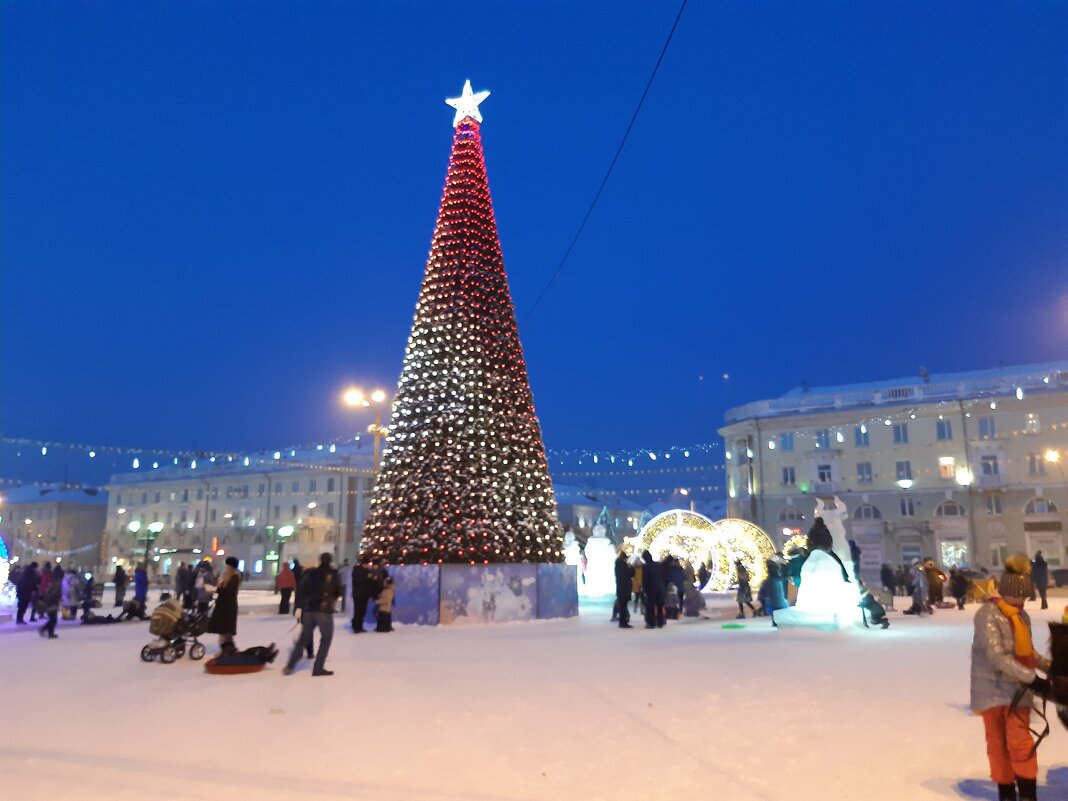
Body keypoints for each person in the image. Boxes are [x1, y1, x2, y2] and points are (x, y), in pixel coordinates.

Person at [970, 554, 1050, 801]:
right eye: (1020, 596)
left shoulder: (1021, 616)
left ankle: (1028, 794)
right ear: (1006, 592)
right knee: (997, 745)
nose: (1022, 602)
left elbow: (1028, 653)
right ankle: (1006, 793)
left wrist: (1052, 668)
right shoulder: (987, 614)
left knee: (1021, 743)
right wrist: (1032, 679)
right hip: (991, 691)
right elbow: (997, 656)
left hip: (1017, 690)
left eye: (1026, 597)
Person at [283, 552, 340, 676]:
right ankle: (318, 667)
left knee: (304, 638)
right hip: (324, 610)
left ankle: (290, 665)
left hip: (309, 608)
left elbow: (303, 589)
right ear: (330, 561)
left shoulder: (311, 572)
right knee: (326, 638)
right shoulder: (333, 574)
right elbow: (338, 590)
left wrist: (303, 604)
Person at [207, 556, 241, 655]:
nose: (226, 567)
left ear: (231, 566)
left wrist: (214, 589)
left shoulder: (234, 576)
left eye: (227, 565)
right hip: (224, 605)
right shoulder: (228, 576)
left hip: (228, 607)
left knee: (226, 629)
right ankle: (226, 648)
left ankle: (228, 649)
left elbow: (227, 591)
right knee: (224, 629)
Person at [351, 556, 378, 633]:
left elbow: (369, 582)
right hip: (358, 594)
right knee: (358, 611)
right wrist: (367, 577)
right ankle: (356, 627)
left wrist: (372, 579)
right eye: (366, 564)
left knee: (362, 611)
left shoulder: (367, 571)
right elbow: (358, 580)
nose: (368, 565)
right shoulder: (357, 570)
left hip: (364, 594)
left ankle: (359, 626)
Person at [640, 550, 665, 629]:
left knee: (650, 606)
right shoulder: (657, 565)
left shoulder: (645, 567)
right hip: (659, 588)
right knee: (659, 606)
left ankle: (651, 623)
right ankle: (660, 622)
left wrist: (644, 588)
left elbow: (645, 579)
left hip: (650, 589)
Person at [38, 568, 62, 639]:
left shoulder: (53, 584)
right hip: (52, 603)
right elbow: (52, 595)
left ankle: (50, 633)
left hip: (50, 603)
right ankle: (45, 630)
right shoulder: (56, 585)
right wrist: (57, 598)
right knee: (53, 619)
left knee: (53, 619)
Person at [614, 549, 633, 628]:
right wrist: (631, 567)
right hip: (624, 589)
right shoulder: (623, 566)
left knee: (622, 606)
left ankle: (623, 621)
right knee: (623, 606)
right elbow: (630, 574)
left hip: (621, 589)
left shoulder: (618, 565)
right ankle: (623, 622)